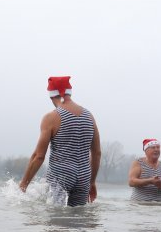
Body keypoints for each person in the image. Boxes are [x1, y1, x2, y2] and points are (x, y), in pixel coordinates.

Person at [19, 76, 101, 206]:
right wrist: (92, 182)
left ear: (51, 95)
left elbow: (38, 156)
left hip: (61, 174)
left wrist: (24, 183)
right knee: (78, 220)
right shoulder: (89, 116)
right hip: (84, 176)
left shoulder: (51, 117)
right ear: (69, 92)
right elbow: (97, 153)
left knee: (55, 221)